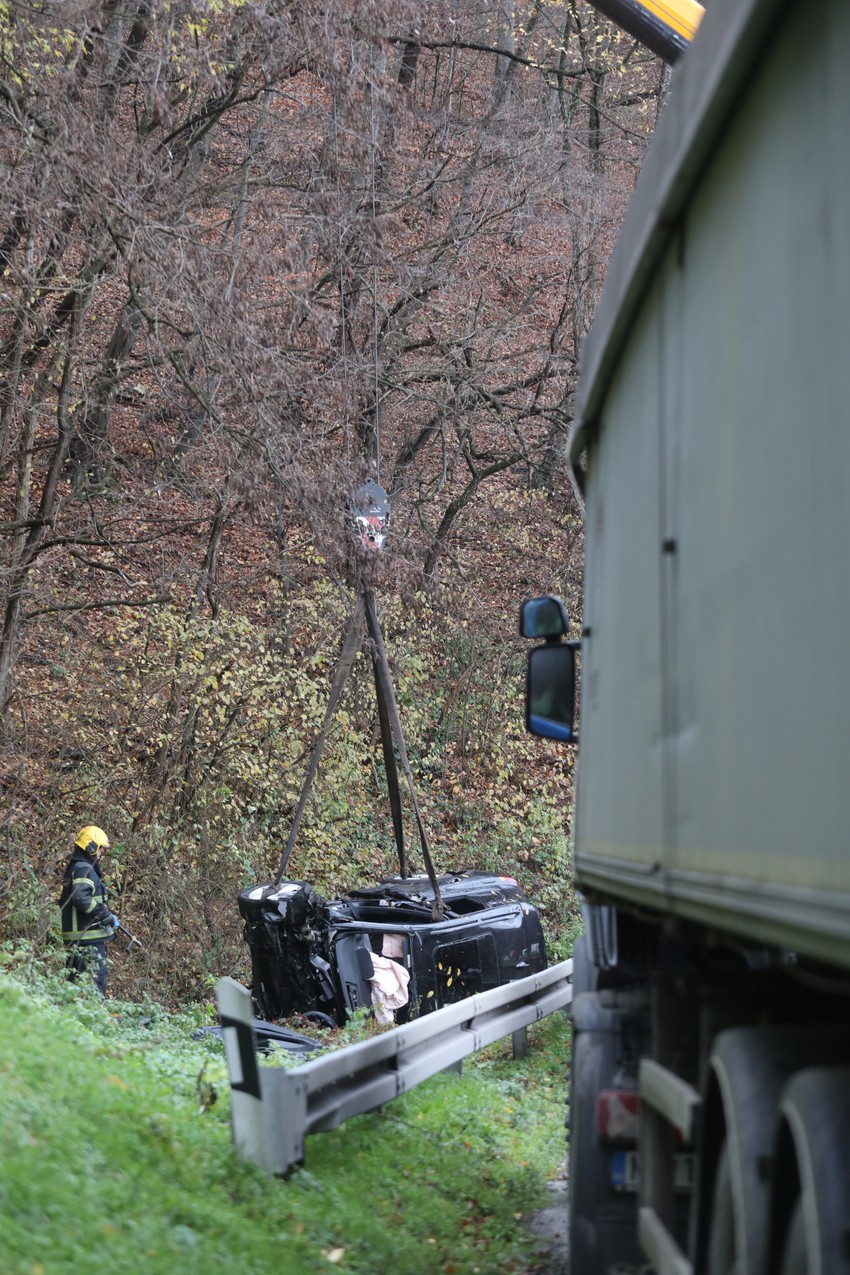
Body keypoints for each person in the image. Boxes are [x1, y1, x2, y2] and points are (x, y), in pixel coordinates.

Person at [59, 824, 119, 994]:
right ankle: (93, 1018)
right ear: (91, 847)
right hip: (86, 937)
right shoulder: (83, 869)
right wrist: (103, 915)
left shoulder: (77, 867)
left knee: (74, 983)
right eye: (101, 850)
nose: (101, 854)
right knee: (96, 980)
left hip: (79, 936)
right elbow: (80, 897)